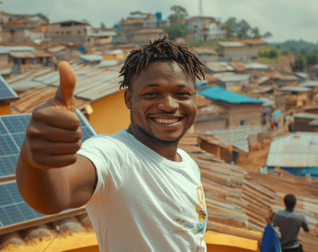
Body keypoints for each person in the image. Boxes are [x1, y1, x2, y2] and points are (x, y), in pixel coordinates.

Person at [16, 38, 208, 251]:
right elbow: (54, 195)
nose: (169, 105)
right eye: (152, 94)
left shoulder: (188, 163)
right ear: (128, 98)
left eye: (182, 94)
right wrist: (34, 161)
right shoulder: (113, 154)